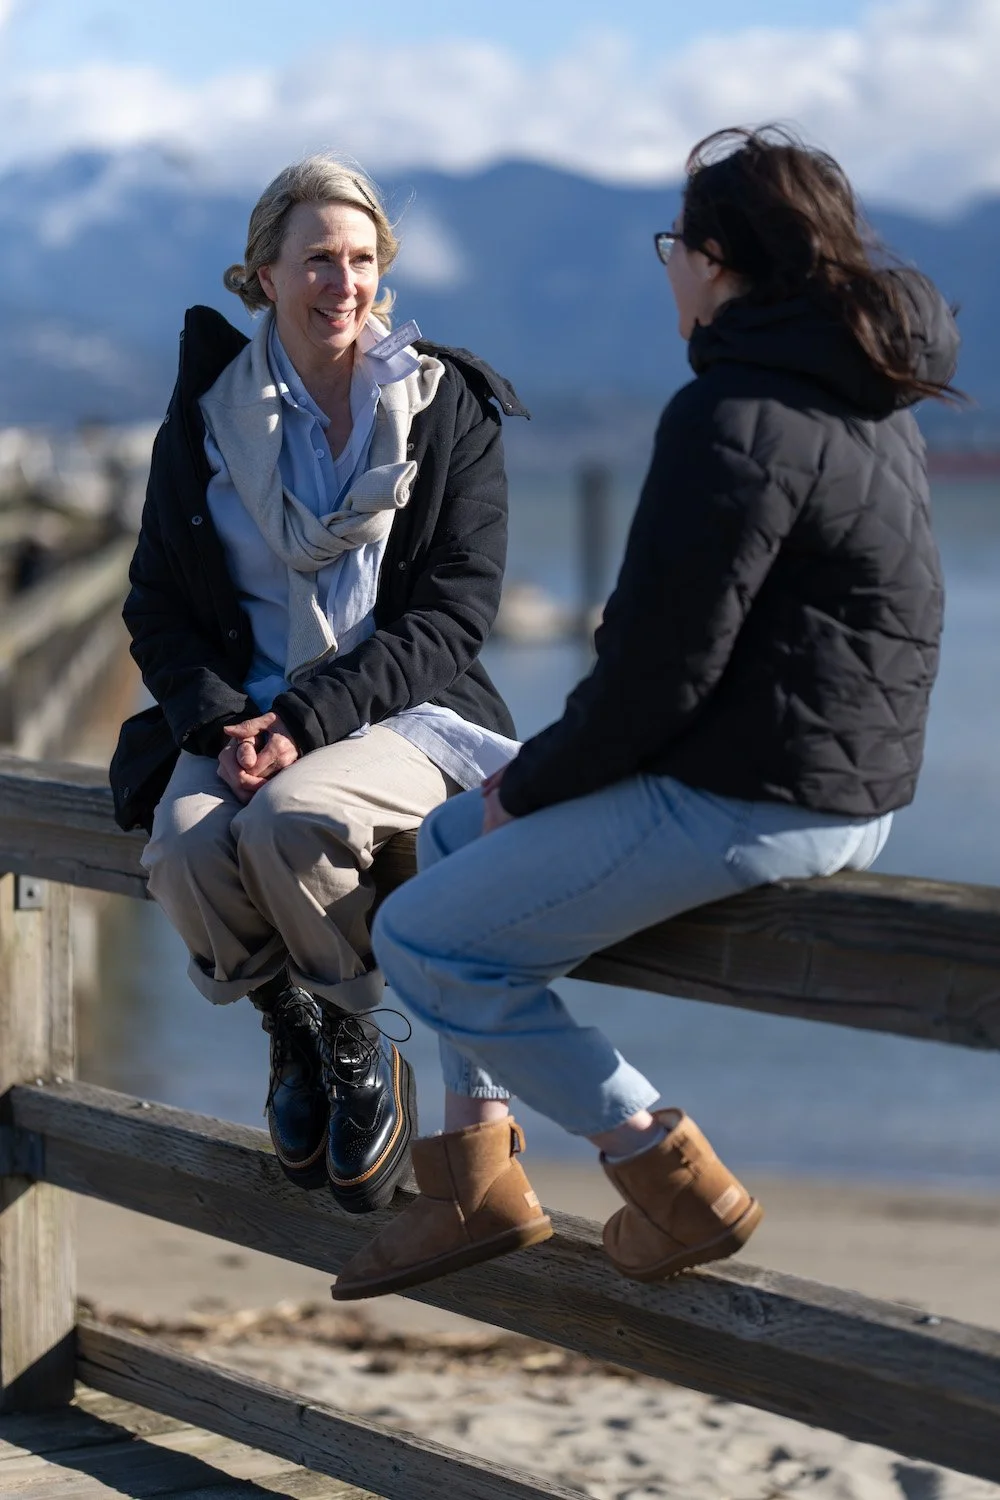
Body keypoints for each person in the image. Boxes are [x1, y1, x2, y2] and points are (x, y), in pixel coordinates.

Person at [330, 125, 959, 1300]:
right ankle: (468, 1183)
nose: (667, 267)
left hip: (756, 793)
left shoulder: (730, 413)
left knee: (422, 939)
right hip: (836, 784)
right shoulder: (868, 396)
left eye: (675, 245)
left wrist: (528, 783)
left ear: (714, 261)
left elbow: (655, 681)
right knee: (448, 842)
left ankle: (667, 1173)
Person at [109, 155, 526, 1215]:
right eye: (316, 261)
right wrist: (219, 720)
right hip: (244, 710)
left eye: (361, 260)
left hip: (398, 712)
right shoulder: (207, 421)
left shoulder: (444, 409)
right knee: (192, 847)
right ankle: (291, 1031)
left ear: (382, 274)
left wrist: (304, 720)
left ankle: (353, 1033)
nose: (342, 282)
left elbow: (454, 616)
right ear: (262, 274)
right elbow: (156, 603)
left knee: (290, 822)